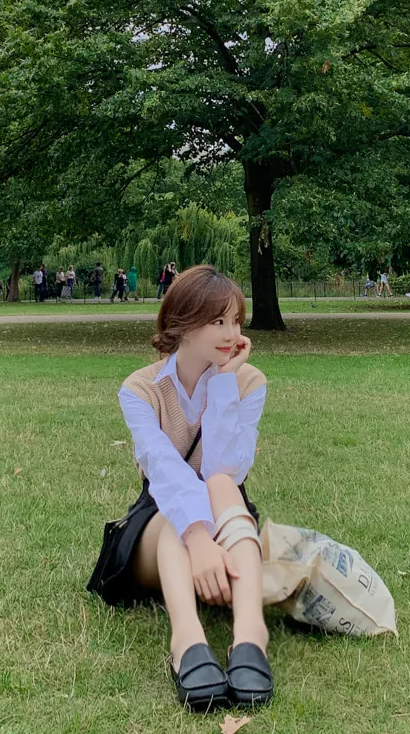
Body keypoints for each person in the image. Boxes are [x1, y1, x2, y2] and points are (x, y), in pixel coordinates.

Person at [87, 265, 273, 711]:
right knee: (176, 518)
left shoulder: (249, 382)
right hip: (159, 519)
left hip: (226, 512)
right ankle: (186, 640)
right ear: (184, 323)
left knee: (222, 484)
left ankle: (252, 635)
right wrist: (198, 539)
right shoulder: (140, 388)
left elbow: (226, 469)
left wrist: (224, 381)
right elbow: (164, 470)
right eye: (219, 321)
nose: (232, 334)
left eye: (236, 321)